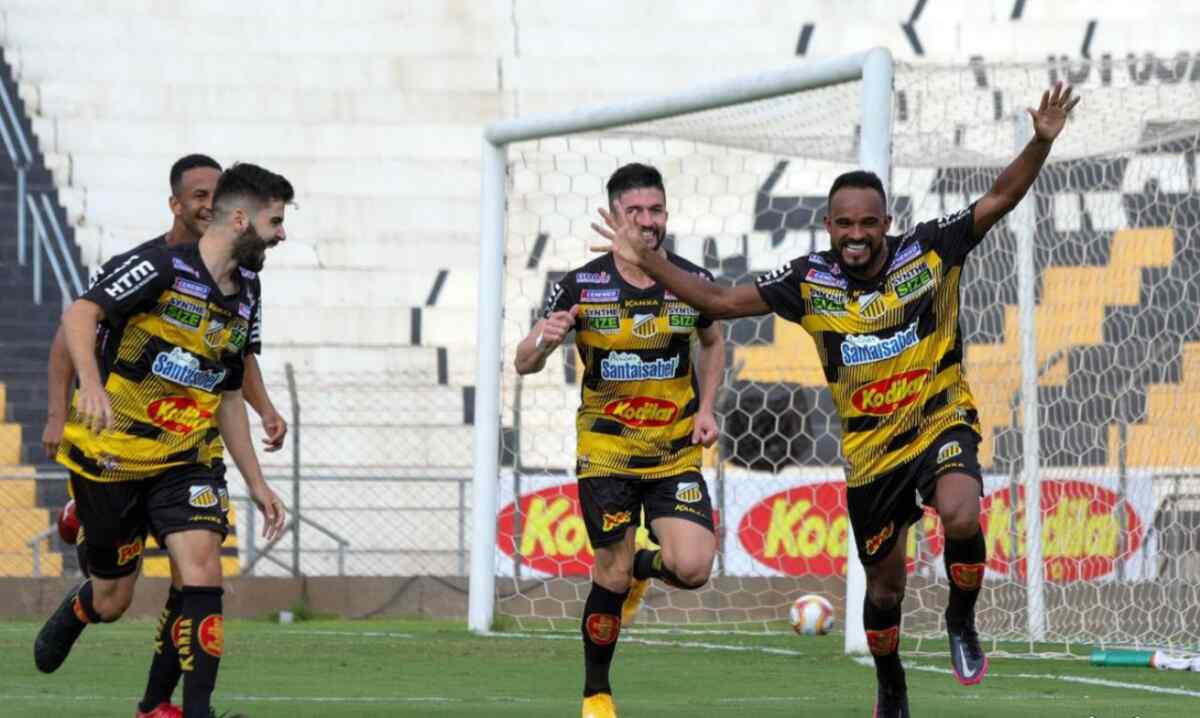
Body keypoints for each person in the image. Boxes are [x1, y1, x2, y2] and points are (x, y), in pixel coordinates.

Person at [593, 84, 1080, 717]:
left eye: (868, 222)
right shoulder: (808, 280)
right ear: (829, 226)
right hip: (871, 454)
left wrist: (1040, 140)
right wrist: (648, 260)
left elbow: (1002, 196)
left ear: (886, 222)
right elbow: (716, 303)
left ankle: (961, 620)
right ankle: (891, 683)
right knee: (885, 588)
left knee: (961, 514)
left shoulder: (929, 250)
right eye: (844, 223)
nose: (856, 234)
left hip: (938, 422)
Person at [33, 162, 294, 718]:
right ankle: (85, 606)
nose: (282, 235)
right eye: (276, 222)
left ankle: (181, 710)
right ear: (243, 219)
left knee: (202, 569)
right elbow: (79, 315)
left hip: (188, 455)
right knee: (114, 598)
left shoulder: (248, 290)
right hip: (113, 454)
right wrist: (90, 389)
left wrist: (257, 481)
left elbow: (227, 389)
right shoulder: (156, 267)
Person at [515, 163, 724, 718]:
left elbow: (713, 340)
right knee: (608, 570)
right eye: (635, 212)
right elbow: (524, 361)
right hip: (605, 452)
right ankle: (596, 693)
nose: (648, 221)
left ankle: (643, 568)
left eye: (655, 210)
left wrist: (706, 408)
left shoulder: (688, 279)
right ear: (614, 216)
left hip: (674, 451)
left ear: (666, 214)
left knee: (694, 569)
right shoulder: (582, 284)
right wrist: (543, 339)